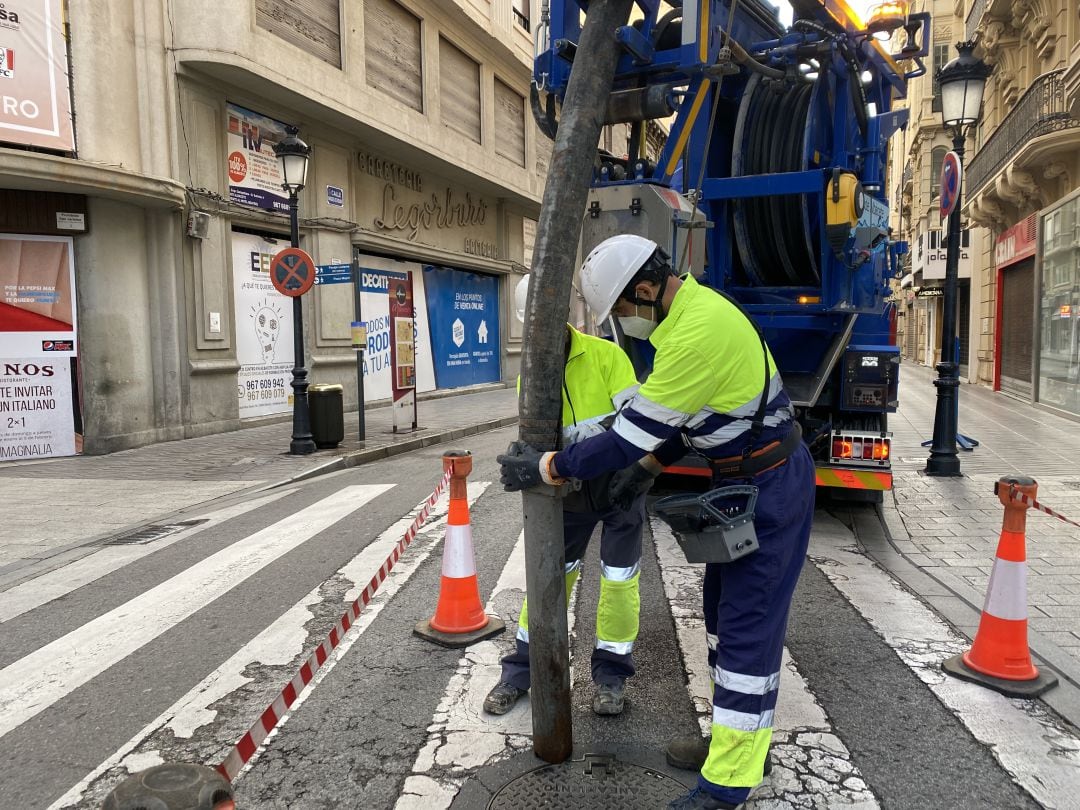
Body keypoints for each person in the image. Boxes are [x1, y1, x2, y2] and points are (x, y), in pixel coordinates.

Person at [497, 235, 815, 810]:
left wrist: (549, 466)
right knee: (722, 613)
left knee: (747, 630)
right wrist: (652, 467)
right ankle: (734, 742)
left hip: (769, 486)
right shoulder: (690, 318)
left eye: (621, 308)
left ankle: (726, 786)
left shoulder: (695, 335)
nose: (622, 321)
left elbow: (627, 435)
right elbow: (691, 416)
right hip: (743, 480)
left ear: (644, 289)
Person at [483, 275, 647, 718]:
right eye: (531, 329)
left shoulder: (607, 357)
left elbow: (634, 428)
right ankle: (521, 671)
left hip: (619, 487)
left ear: (565, 319)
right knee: (549, 576)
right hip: (568, 492)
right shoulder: (530, 380)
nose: (539, 337)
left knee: (618, 580)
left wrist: (570, 453)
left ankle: (611, 677)